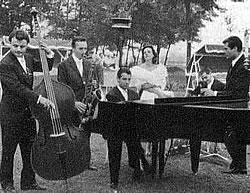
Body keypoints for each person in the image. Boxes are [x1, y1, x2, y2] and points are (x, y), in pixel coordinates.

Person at [0, 29, 55, 192]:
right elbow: (17, 88)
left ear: (27, 46)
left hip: (27, 114)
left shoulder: (29, 58)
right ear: (9, 43)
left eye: (22, 47)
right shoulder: (4, 64)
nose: (18, 49)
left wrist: (49, 53)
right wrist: (39, 98)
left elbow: (46, 68)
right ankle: (7, 184)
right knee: (9, 150)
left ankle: (28, 182)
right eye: (15, 45)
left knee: (29, 149)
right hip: (10, 114)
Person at [203, 36, 250, 174]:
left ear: (235, 48)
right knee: (235, 136)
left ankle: (240, 166)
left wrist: (215, 94)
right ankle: (239, 166)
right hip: (234, 105)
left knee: (232, 135)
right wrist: (213, 89)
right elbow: (230, 87)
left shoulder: (244, 66)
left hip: (238, 106)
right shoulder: (235, 63)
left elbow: (238, 93)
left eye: (226, 49)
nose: (224, 51)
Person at [57, 36, 99, 171]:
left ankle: (85, 162)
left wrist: (94, 86)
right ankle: (71, 163)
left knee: (86, 134)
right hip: (72, 106)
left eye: (85, 48)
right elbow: (61, 89)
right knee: (71, 135)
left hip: (86, 105)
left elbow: (92, 83)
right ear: (73, 48)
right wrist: (74, 103)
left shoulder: (88, 64)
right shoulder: (63, 65)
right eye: (80, 49)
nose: (84, 51)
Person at [106, 68, 151, 189]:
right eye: (124, 79)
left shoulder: (134, 94)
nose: (127, 82)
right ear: (118, 79)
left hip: (130, 128)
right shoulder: (112, 94)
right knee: (115, 153)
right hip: (116, 129)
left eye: (129, 79)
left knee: (135, 144)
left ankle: (137, 171)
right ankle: (114, 180)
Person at [130, 45, 174, 156]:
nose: (146, 54)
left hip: (160, 95)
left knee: (160, 120)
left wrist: (157, 90)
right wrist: (154, 90)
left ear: (153, 54)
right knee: (147, 121)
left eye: (149, 52)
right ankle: (145, 146)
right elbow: (140, 86)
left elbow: (163, 84)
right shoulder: (137, 69)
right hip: (146, 95)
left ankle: (160, 147)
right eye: (144, 52)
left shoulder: (160, 68)